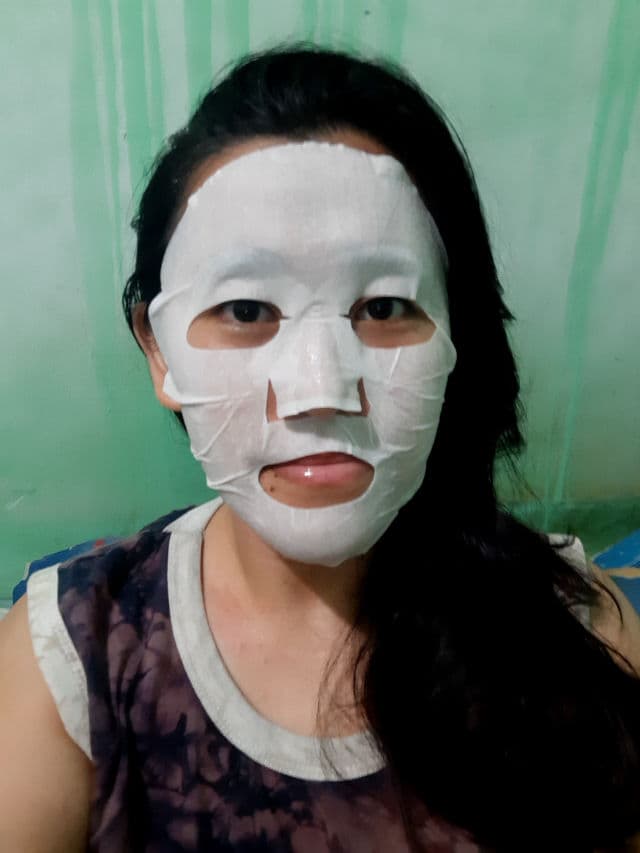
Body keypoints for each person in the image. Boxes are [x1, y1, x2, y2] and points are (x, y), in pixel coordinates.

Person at [1, 45, 640, 853]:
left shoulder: (577, 634)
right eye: (246, 310)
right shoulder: (71, 658)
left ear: (456, 336)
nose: (319, 390)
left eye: (384, 306)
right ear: (160, 353)